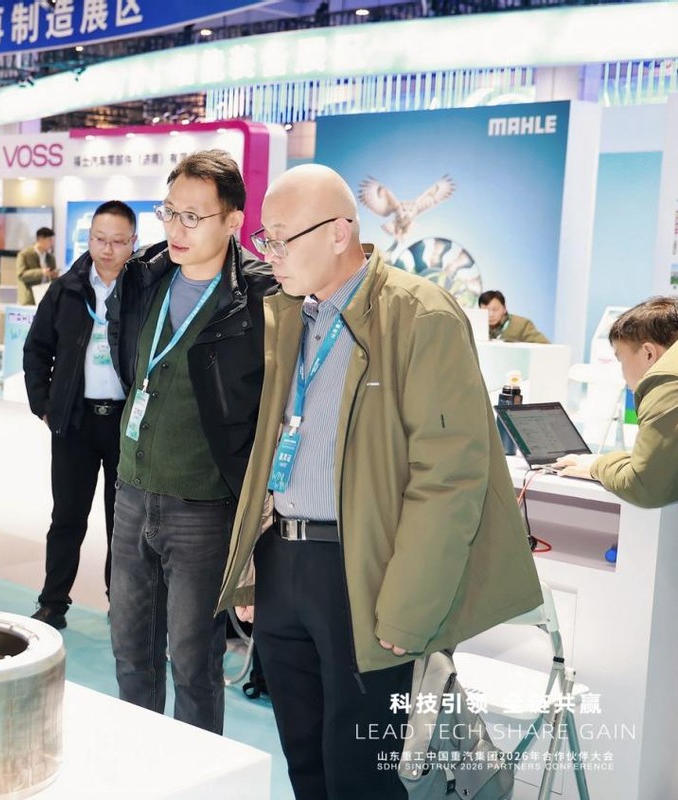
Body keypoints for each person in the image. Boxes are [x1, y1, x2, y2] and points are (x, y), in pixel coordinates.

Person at [217, 164, 541, 798]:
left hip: (364, 574)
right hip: (285, 564)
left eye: (281, 238)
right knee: (305, 762)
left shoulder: (419, 315)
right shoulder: (290, 314)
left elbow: (449, 477)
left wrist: (409, 606)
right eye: (264, 238)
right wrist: (256, 567)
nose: (268, 253)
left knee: (361, 774)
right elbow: (272, 448)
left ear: (339, 233)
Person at [104, 150, 274, 734]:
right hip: (131, 492)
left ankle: (197, 771)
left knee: (194, 662)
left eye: (193, 217)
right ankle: (140, 760)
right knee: (129, 650)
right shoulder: (145, 277)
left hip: (203, 506)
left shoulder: (259, 297)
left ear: (233, 221)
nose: (176, 229)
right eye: (169, 212)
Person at [23, 201, 139, 630]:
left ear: (133, 242)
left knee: (123, 522)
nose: (107, 250)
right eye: (99, 240)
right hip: (74, 422)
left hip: (127, 424)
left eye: (117, 242)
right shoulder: (66, 289)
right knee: (67, 517)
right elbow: (36, 349)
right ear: (88, 238)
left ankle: (120, 604)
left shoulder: (144, 292)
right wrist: (44, 405)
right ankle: (53, 602)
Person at [556, 296, 678, 507]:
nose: (623, 373)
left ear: (649, 353)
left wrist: (597, 465)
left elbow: (645, 487)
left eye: (621, 359)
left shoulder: (666, 381)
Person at [479, 289, 549, 343]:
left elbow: (544, 345)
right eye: (485, 310)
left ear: (504, 309)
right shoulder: (475, 326)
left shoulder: (522, 325)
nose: (490, 315)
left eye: (495, 309)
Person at [16, 227, 58, 306]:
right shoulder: (24, 255)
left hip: (46, 298)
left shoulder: (51, 257)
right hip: (29, 299)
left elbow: (53, 279)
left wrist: (53, 275)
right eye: (50, 240)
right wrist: (41, 272)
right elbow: (21, 275)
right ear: (41, 239)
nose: (52, 243)